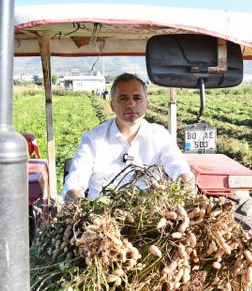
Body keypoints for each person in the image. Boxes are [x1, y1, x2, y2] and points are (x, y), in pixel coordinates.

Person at [62, 72, 194, 202]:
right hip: (102, 215)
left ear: (147, 104)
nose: (131, 104)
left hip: (150, 215)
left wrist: (186, 188)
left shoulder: (160, 136)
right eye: (123, 98)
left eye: (137, 98)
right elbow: (74, 182)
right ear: (112, 105)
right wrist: (78, 204)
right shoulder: (93, 139)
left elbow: (179, 168)